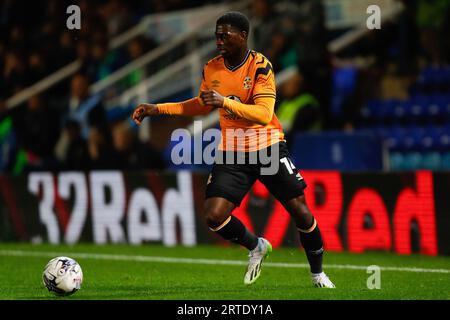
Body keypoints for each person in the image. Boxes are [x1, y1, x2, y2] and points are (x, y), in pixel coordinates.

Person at [131, 12, 335, 288]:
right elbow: (202, 104)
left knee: (300, 211)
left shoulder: (260, 67)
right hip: (233, 151)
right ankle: (256, 246)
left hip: (268, 147)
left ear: (243, 35)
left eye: (224, 35)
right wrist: (158, 109)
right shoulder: (212, 69)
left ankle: (317, 274)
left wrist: (224, 102)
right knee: (214, 216)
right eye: (216, 35)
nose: (219, 41)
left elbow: (263, 114)